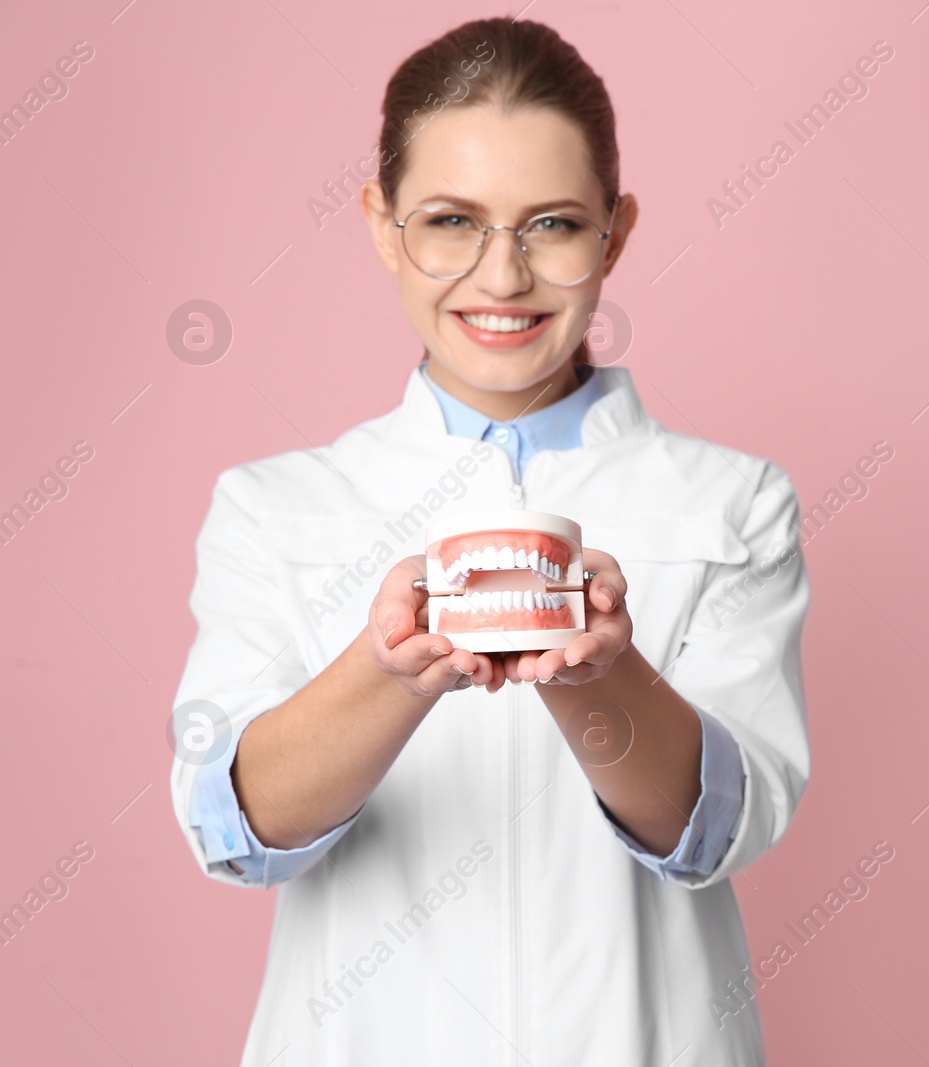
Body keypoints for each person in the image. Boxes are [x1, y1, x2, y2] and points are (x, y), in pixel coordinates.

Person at [167, 17, 810, 1066]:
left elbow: (721, 828)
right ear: (383, 224)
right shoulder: (274, 507)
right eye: (451, 220)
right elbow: (237, 831)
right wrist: (390, 671)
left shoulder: (731, 503)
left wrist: (596, 674)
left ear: (615, 232)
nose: (501, 276)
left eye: (551, 224)